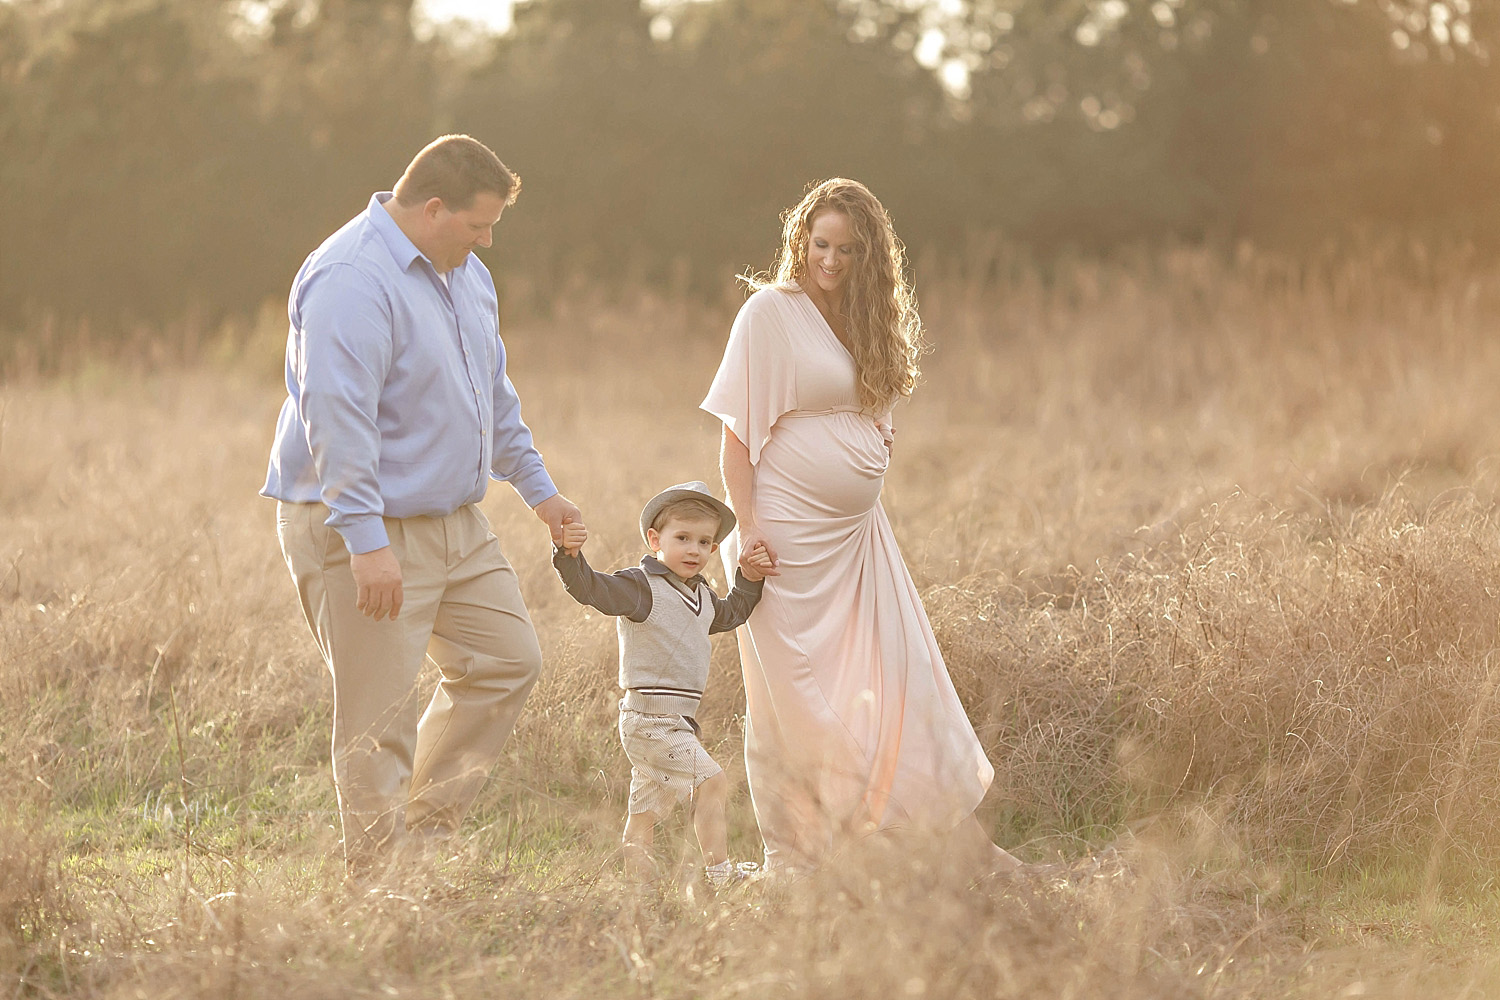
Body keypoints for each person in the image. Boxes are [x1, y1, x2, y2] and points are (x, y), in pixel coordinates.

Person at [261, 134, 581, 876]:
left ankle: (426, 836)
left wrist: (540, 491)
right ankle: (378, 881)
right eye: (478, 224)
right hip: (359, 524)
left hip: (454, 524)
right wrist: (365, 542)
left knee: (508, 660)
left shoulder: (464, 273)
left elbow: (491, 397)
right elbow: (335, 418)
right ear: (432, 208)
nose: (488, 239)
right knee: (378, 715)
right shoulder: (349, 277)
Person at [700, 178, 1023, 876]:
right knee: (797, 701)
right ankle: (814, 858)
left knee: (899, 680)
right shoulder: (770, 314)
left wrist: (873, 436)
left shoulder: (870, 316)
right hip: (781, 543)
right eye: (820, 244)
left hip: (856, 540)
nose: (832, 260)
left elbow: (869, 401)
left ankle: (944, 843)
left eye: (847, 248)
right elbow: (735, 439)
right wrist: (748, 527)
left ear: (870, 253)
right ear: (800, 241)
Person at [552, 482, 772, 887]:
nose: (694, 550)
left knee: (645, 812)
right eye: (682, 538)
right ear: (655, 539)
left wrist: (750, 577)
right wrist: (569, 555)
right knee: (712, 780)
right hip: (647, 720)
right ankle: (719, 877)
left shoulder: (703, 596)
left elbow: (734, 613)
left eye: (705, 542)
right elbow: (591, 589)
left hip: (676, 723)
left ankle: (638, 892)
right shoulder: (641, 587)